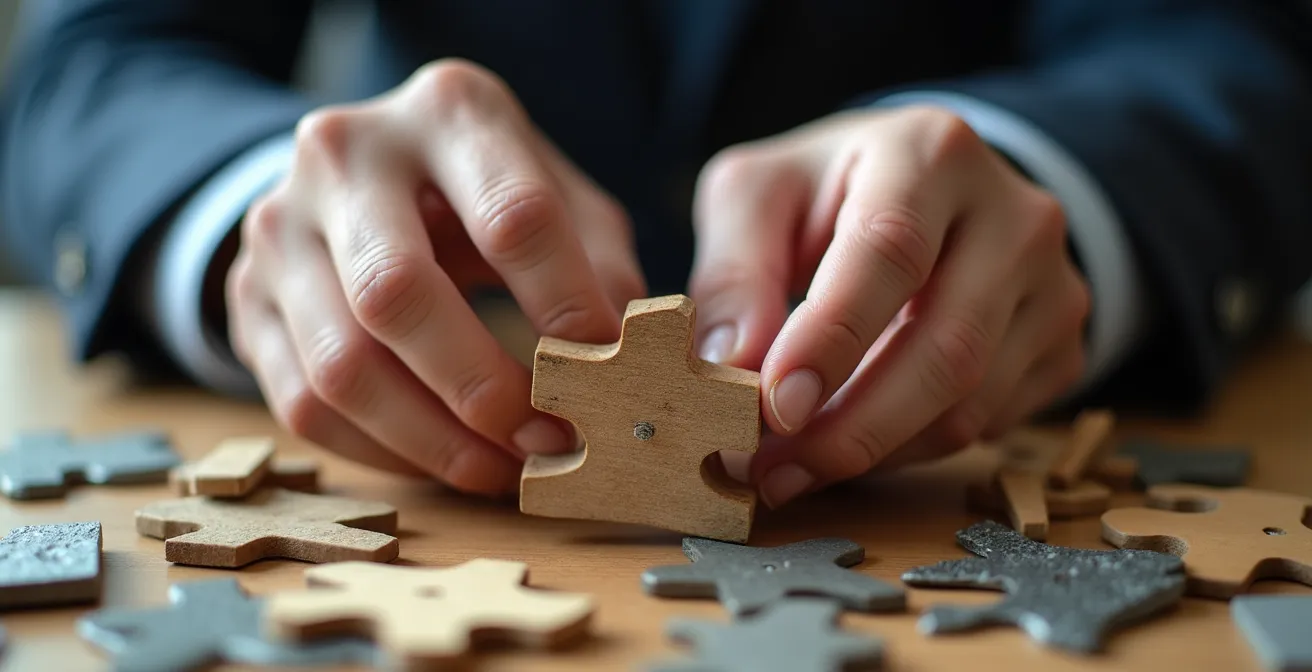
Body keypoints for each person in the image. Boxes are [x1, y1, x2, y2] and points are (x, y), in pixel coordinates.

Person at [2, 1, 1310, 510]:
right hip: (440, 381)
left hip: (958, 424)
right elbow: (96, 61)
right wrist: (253, 210)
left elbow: (1229, 46)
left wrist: (1047, 176)